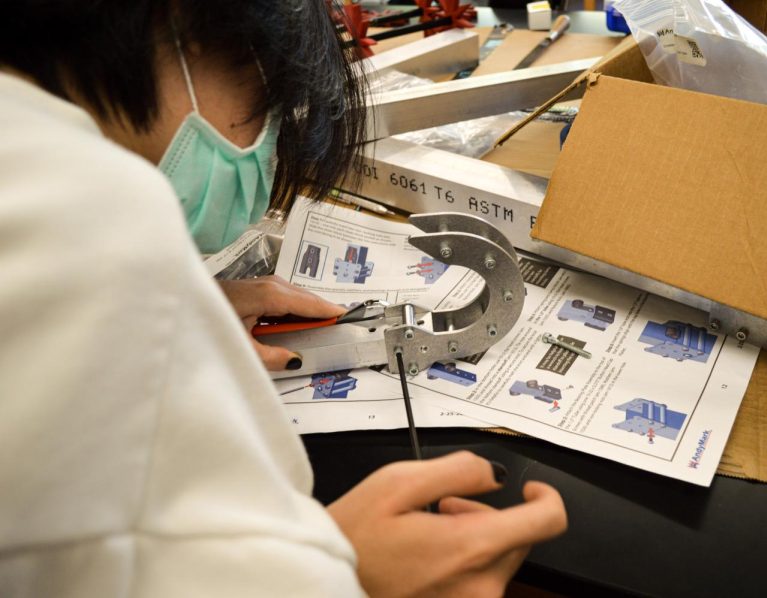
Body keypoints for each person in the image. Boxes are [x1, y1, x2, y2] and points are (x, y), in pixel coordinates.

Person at [0, 2, 568, 597]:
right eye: (269, 98)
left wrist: (180, 308)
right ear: (186, 31)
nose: (269, 143)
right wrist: (343, 577)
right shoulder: (88, 208)